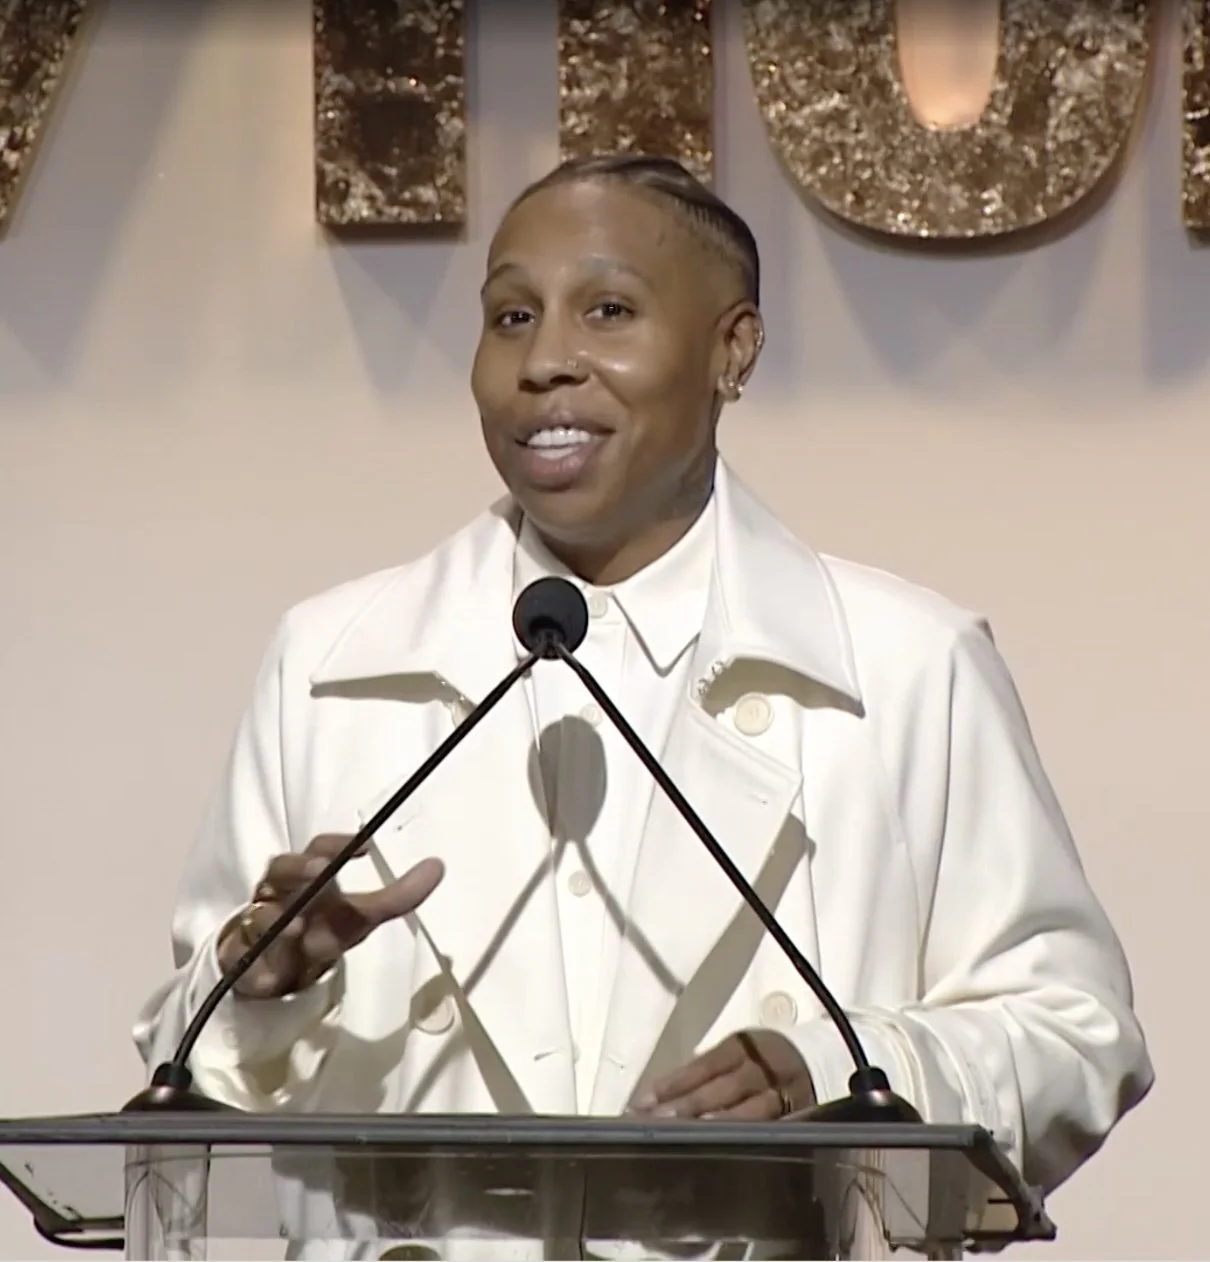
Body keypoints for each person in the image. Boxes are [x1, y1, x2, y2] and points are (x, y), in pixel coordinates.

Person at [134, 155, 1153, 1258]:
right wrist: (262, 976)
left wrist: (846, 1062)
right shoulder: (331, 660)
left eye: (607, 310)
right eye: (509, 315)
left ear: (733, 349)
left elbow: (1077, 1035)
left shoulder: (906, 667)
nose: (545, 362)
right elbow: (181, 1064)